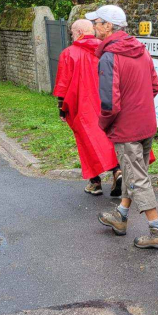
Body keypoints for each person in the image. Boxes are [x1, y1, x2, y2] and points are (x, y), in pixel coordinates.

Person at [91, 5, 158, 249]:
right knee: (135, 172)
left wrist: (103, 124)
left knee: (137, 177)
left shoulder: (109, 56)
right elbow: (154, 86)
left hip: (126, 129)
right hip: (146, 123)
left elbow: (110, 103)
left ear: (108, 26)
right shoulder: (141, 50)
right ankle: (121, 216)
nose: (94, 27)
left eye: (97, 22)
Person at [53, 19, 121, 196]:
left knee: (87, 141)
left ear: (78, 33)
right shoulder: (107, 49)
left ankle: (95, 182)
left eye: (72, 33)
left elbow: (63, 84)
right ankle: (117, 172)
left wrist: (62, 108)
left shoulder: (69, 53)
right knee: (110, 138)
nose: (72, 36)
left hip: (82, 105)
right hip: (109, 102)